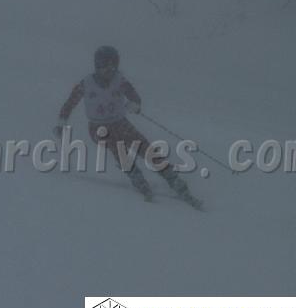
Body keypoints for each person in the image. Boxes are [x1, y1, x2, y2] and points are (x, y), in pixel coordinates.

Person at [54, 46, 202, 208]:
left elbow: (133, 95)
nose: (109, 70)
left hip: (120, 122)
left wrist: (135, 104)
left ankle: (172, 177)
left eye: (113, 66)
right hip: (97, 127)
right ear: (97, 66)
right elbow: (69, 104)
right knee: (117, 146)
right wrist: (62, 122)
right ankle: (135, 175)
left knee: (144, 147)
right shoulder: (86, 84)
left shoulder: (119, 80)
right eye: (105, 66)